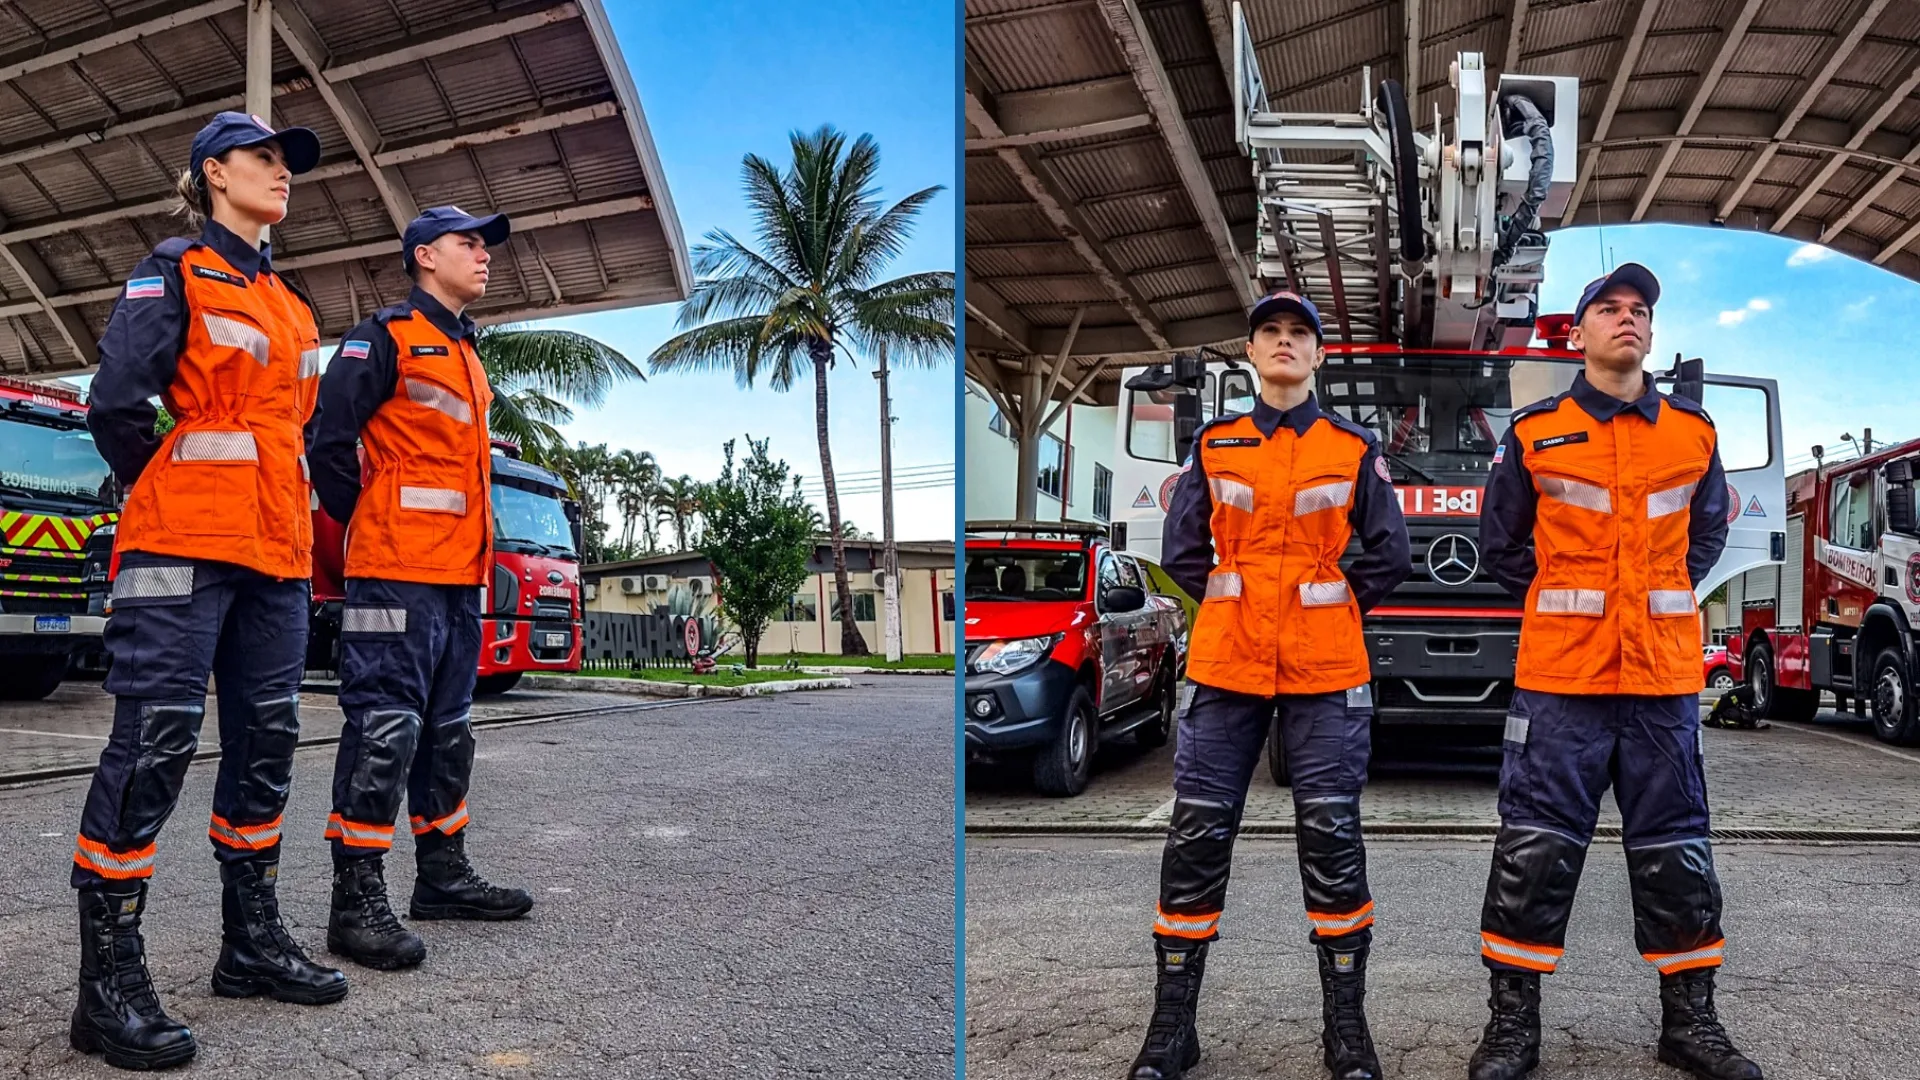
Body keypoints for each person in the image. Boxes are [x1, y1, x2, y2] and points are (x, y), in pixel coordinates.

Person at [73, 111, 346, 1070]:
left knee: (269, 741)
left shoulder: (295, 307)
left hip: (275, 555)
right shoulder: (176, 267)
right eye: (264, 158)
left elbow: (300, 436)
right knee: (154, 746)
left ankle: (250, 944)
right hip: (183, 542)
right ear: (213, 172)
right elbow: (113, 403)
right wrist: (167, 478)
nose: (282, 174)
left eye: (288, 164)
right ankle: (106, 989)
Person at [1469, 263, 1761, 1080]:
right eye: (1609, 309)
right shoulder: (1533, 433)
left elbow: (1703, 542)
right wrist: (1574, 604)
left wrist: (1652, 597)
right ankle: (1512, 1027)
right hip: (1561, 681)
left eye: (1640, 311)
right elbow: (1502, 549)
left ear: (1651, 334)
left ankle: (1691, 1023)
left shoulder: (1694, 435)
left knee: (1677, 851)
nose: (1627, 320)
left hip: (1662, 682)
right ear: (1580, 332)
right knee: (1534, 849)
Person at [1129, 291, 1412, 1080]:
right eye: (1271, 334)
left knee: (1332, 838)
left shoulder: (1353, 447)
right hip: (1228, 663)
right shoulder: (1215, 447)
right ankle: (1170, 1030)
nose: (1285, 343)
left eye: (1300, 335)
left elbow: (1389, 554)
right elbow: (1184, 551)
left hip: (1326, 668)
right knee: (1196, 838)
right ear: (1252, 354)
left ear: (1318, 356)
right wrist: (1241, 593)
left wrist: (1327, 601)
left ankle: (1346, 1033)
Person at [307, 206, 534, 972]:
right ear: (424, 255)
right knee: (384, 730)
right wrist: (370, 524)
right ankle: (356, 901)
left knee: (449, 731)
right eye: (469, 244)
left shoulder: (468, 353)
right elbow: (327, 443)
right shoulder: (384, 337)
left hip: (458, 576)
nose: (484, 256)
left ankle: (441, 874)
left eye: (485, 245)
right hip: (396, 569)